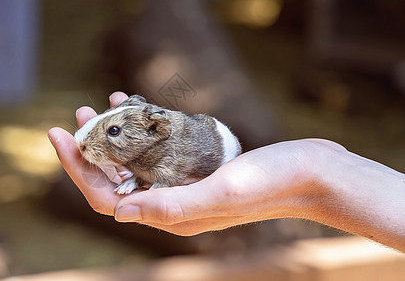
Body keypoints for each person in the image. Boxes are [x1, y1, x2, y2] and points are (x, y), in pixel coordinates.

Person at [48, 91, 405, 252]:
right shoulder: (146, 145)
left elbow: (165, 175)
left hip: (215, 149)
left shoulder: (170, 156)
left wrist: (315, 174)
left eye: (112, 131)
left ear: (156, 131)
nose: (87, 140)